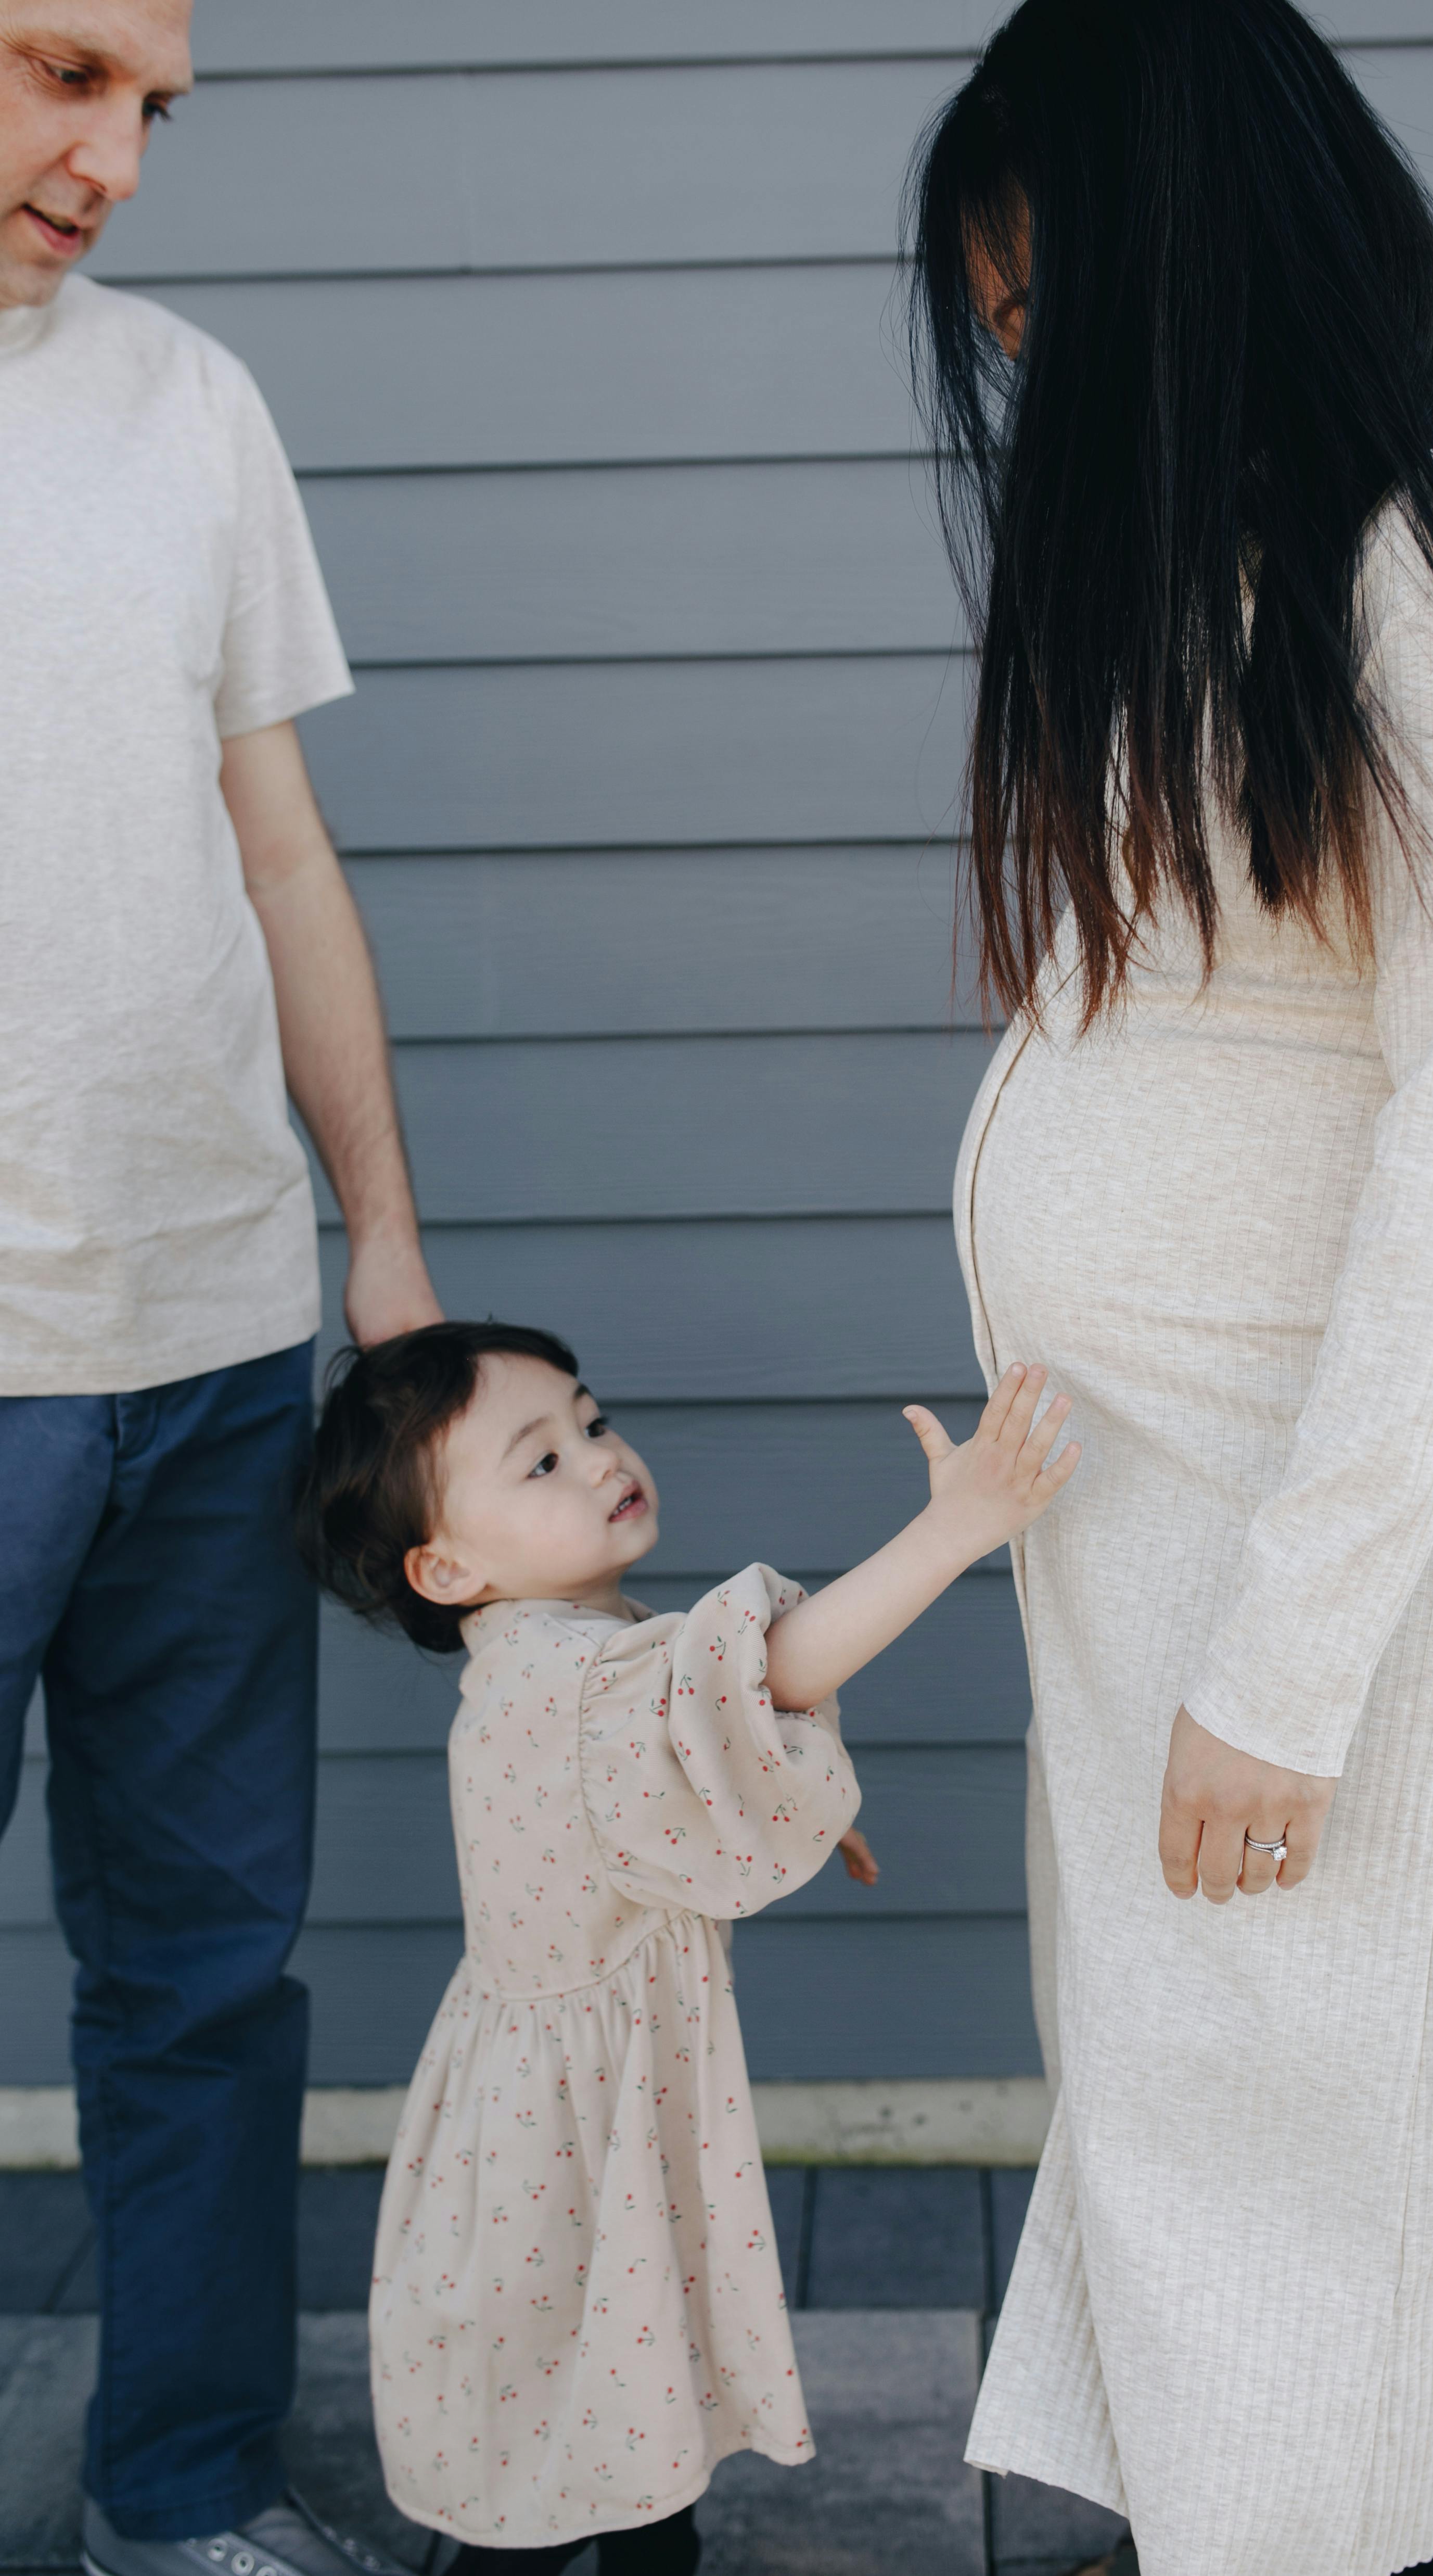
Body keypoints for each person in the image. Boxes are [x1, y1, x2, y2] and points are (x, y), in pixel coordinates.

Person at [905, 4, 1433, 2574]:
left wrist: (1286, 1652)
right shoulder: (1259, 551)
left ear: (1178, 256)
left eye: (1040, 317)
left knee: (1358, 2219)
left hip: (1349, 1544)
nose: (1021, 380)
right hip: (1160, 1511)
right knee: (1204, 2153)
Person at [0, 5, 441, 2569]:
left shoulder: (188, 403)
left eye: (154, 107)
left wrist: (370, 1234)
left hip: (212, 1336)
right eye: (65, 75)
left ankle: (176, 2499)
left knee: (199, 1979)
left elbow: (280, 853)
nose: (118, 161)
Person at [297, 1323, 1080, 2572]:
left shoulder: (562, 1655)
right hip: (563, 2143)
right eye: (538, 1463)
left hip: (573, 2112)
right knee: (565, 2435)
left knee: (620, 2405)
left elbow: (695, 1755)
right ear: (444, 1570)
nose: (599, 1458)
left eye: (590, 1422)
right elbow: (757, 1680)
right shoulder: (565, 1680)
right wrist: (955, 1529)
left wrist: (794, 1799)